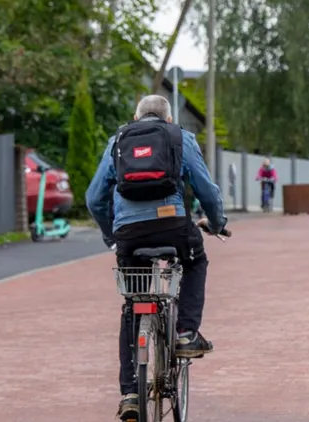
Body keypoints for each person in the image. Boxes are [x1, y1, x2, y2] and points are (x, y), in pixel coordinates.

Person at [87, 95, 227, 422]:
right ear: (167, 118)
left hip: (129, 235)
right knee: (195, 262)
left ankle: (130, 395)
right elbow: (205, 189)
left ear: (135, 117)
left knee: (131, 304)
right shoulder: (180, 137)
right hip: (173, 225)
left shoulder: (117, 141)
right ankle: (186, 333)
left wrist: (112, 234)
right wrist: (217, 223)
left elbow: (95, 198)